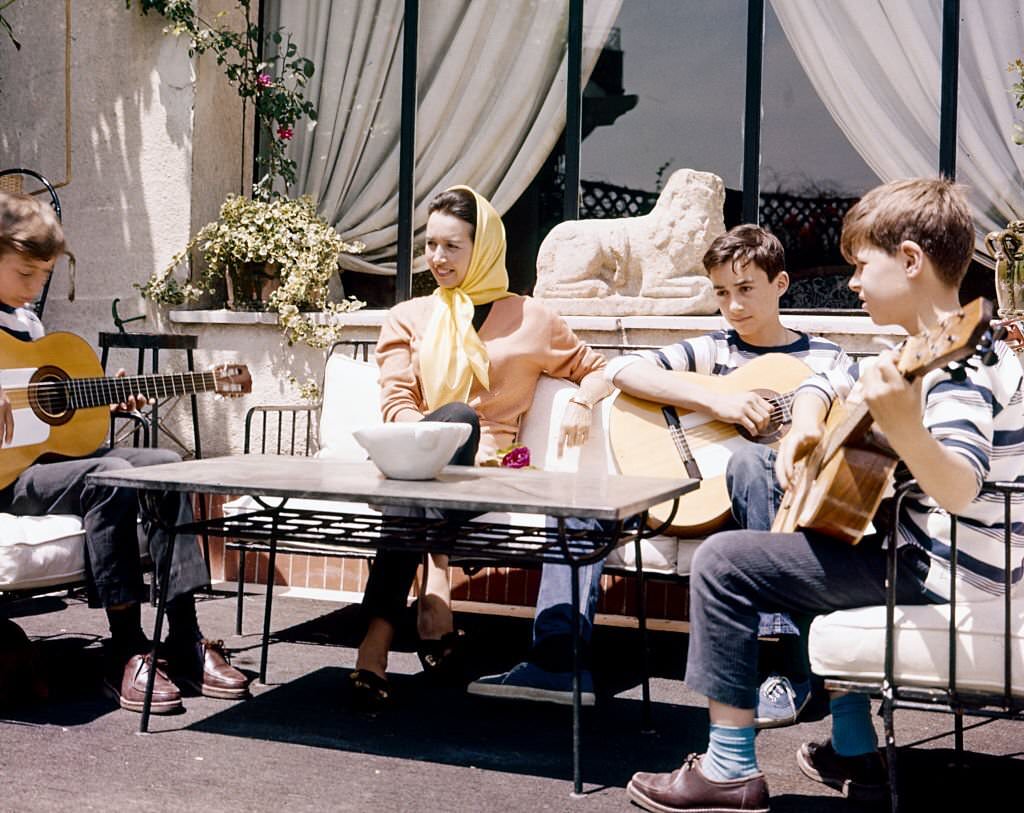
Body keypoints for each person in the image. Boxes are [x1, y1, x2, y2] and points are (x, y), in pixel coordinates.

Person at [626, 177, 1024, 812]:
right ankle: (852, 747)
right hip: (932, 559)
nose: (853, 284)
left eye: (862, 266)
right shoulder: (910, 352)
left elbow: (959, 485)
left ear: (912, 261)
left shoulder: (957, 363)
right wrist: (812, 423)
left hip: (944, 573)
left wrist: (903, 426)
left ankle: (729, 768)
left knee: (725, 563)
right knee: (813, 537)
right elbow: (829, 384)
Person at [469, 224, 851, 713]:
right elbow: (621, 370)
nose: (733, 306)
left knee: (754, 462)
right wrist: (717, 399)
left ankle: (782, 667)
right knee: (583, 498)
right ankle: (556, 661)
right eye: (721, 293)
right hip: (682, 491)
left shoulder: (826, 357)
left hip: (760, 502)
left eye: (746, 289)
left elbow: (838, 415)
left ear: (780, 284)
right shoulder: (715, 348)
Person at [349, 185, 612, 708]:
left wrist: (583, 401)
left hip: (491, 475)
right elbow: (396, 402)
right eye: (431, 245)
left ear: (484, 246)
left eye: (453, 247)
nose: (438, 259)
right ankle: (424, 598)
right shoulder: (408, 317)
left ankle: (379, 642)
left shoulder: (532, 318)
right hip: (415, 464)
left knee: (457, 427)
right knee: (441, 435)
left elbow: (600, 369)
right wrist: (424, 442)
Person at [0, 190, 249, 713]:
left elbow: (53, 421)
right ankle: (125, 647)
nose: (36, 287)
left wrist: (107, 402)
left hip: (46, 467)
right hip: (9, 480)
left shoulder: (29, 329)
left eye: (44, 275)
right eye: (26, 274)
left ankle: (184, 634)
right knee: (113, 474)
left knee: (164, 467)